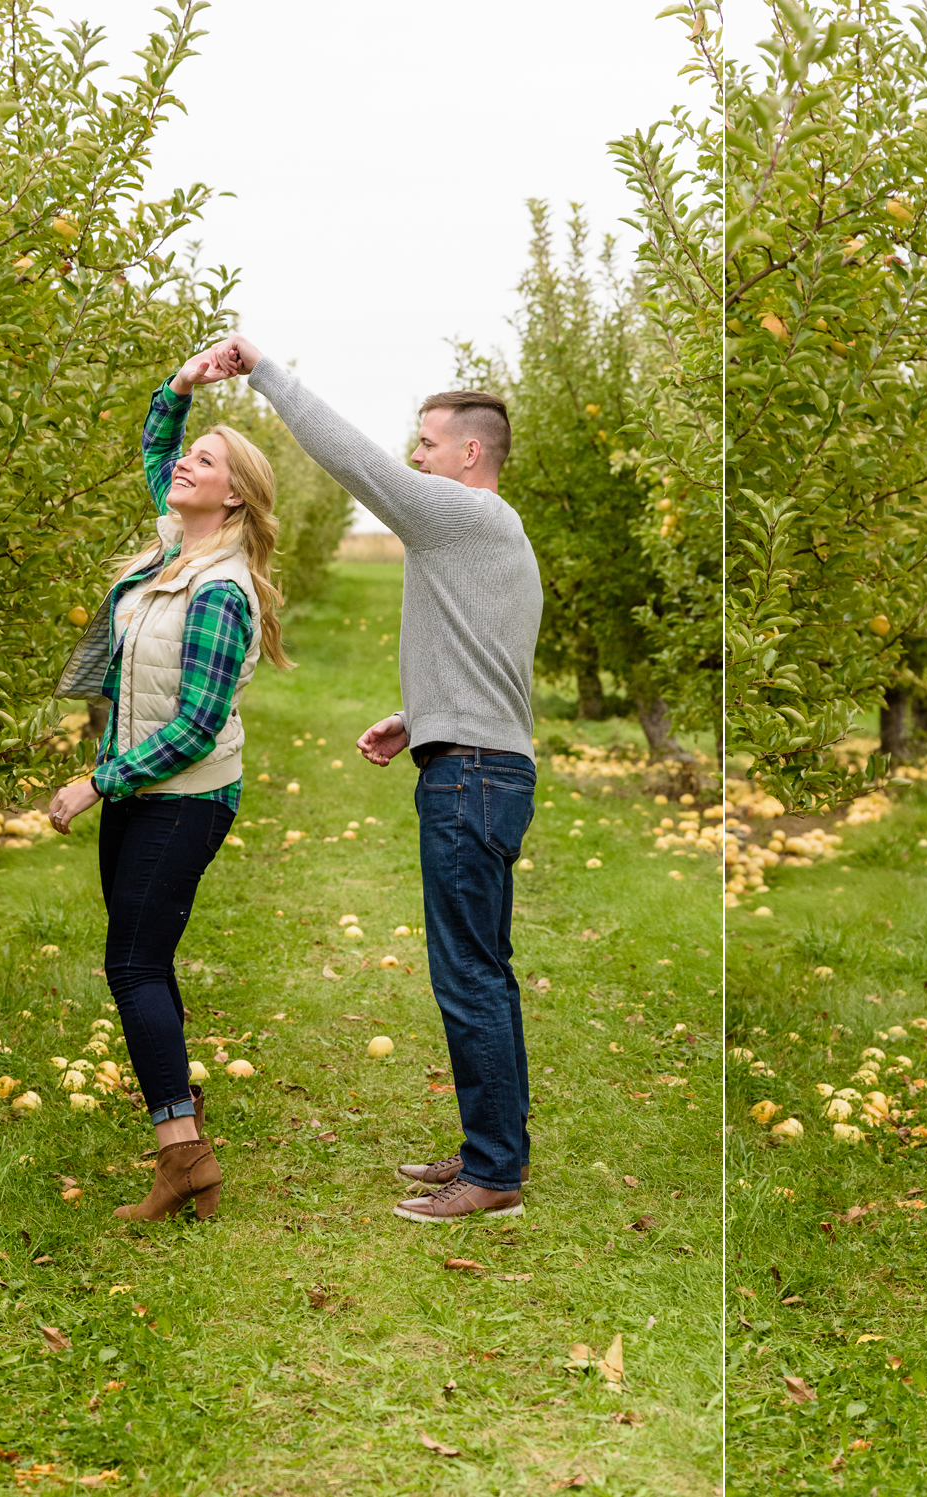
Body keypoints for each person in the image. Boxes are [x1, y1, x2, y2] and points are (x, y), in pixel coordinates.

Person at [200, 332, 541, 1225]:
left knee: (467, 973)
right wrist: (419, 715)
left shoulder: (463, 513)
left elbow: (347, 457)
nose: (412, 458)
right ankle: (491, 1148)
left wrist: (265, 371)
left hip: (470, 779)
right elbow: (489, 659)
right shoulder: (492, 533)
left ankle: (495, 1172)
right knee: (485, 969)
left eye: (425, 444)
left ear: (469, 452)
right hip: (482, 762)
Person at [47, 348, 293, 1222]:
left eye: (208, 459)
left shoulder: (221, 590)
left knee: (133, 962)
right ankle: (184, 1139)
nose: (186, 464)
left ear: (232, 496)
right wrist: (184, 384)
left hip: (185, 797)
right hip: (144, 794)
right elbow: (158, 450)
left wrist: (94, 782)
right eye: (193, 455)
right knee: (144, 960)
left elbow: (192, 726)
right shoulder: (170, 545)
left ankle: (182, 1153)